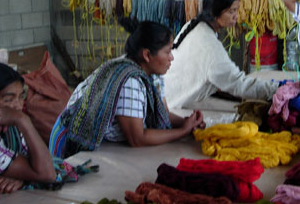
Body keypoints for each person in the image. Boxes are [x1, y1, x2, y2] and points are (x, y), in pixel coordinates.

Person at [49, 20, 205, 158]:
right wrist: (182, 132)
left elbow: (162, 113)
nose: (171, 57)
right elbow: (138, 138)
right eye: (167, 51)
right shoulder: (129, 80)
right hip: (70, 142)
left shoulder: (151, 74)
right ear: (147, 55)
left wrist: (186, 122)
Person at [164, 0, 279, 109]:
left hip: (170, 97)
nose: (236, 16)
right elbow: (238, 84)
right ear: (214, 13)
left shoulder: (193, 25)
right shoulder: (209, 46)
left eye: (237, 10)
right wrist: (277, 89)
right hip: (177, 107)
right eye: (231, 11)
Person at [0, 62, 56, 194]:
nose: (18, 106)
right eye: (9, 99)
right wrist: (24, 121)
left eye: (21, 97)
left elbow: (40, 163)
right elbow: (47, 174)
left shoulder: (7, 124)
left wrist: (23, 176)